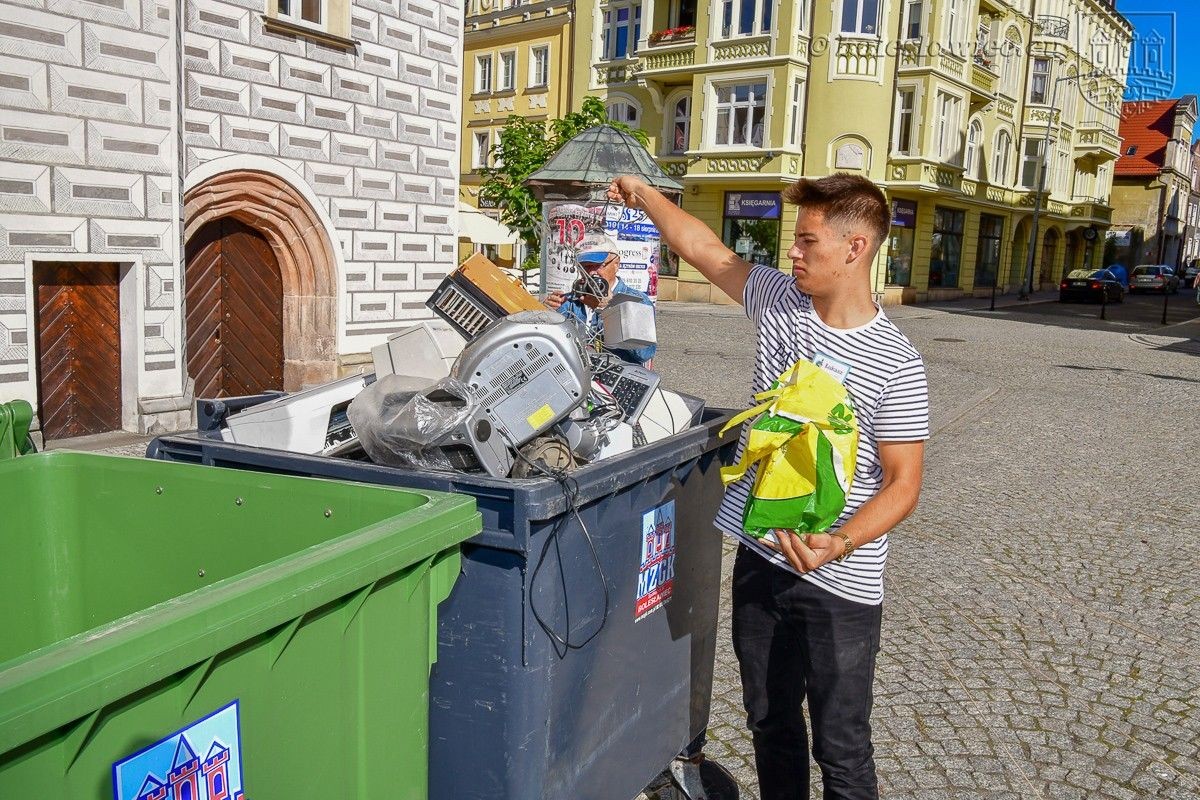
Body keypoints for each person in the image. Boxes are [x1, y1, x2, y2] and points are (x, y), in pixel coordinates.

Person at [607, 173, 929, 800]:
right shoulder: (781, 302)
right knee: (769, 722)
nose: (794, 253)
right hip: (760, 562)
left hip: (840, 585)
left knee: (841, 745)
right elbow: (707, 251)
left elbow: (903, 484)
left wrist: (840, 542)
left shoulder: (897, 362)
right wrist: (643, 195)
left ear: (856, 248)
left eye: (808, 242)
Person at [544, 232, 656, 366]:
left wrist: (609, 310)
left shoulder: (637, 301)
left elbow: (645, 353)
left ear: (616, 264)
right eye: (585, 267)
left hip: (617, 375)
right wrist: (545, 313)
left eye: (598, 265)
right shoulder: (571, 300)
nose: (591, 272)